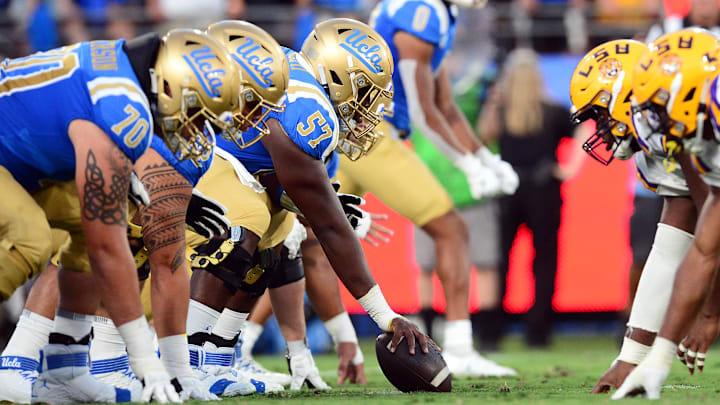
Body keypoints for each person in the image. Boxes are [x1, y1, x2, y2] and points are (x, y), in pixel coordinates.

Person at [184, 18, 430, 391]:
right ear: (338, 75)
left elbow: (297, 221)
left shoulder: (297, 80)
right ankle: (186, 359)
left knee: (281, 234)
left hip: (202, 158)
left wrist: (300, 352)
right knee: (248, 220)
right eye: (365, 91)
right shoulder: (308, 113)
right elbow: (331, 231)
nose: (369, 109)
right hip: (178, 164)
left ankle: (220, 359)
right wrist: (386, 316)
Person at [0, 29, 239, 403]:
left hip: (21, 161)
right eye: (195, 113)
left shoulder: (127, 74)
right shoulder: (121, 106)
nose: (196, 130)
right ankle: (18, 363)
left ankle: (66, 368)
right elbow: (107, 248)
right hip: (12, 161)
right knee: (33, 237)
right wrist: (146, 360)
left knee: (77, 227)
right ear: (171, 86)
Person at [300, 0, 518, 378]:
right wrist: (467, 165)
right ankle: (461, 346)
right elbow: (421, 109)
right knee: (452, 229)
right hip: (371, 133)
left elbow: (445, 105)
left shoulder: (433, 13)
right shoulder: (423, 13)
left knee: (299, 241)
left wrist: (485, 158)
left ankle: (241, 341)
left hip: (358, 132)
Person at [567, 37, 709, 394]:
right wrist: (631, 356)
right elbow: (672, 245)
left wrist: (710, 314)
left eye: (599, 114)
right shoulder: (657, 139)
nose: (598, 129)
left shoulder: (693, 113)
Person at [613, 28, 720, 400]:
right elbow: (701, 245)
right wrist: (648, 356)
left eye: (653, 104)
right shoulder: (696, 130)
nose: (648, 118)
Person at [477, 48, 583, 348]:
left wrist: (494, 101)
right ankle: (538, 332)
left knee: (500, 260)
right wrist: (568, 169)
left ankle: (491, 332)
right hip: (543, 188)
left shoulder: (508, 108)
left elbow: (482, 137)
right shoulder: (550, 109)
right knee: (544, 261)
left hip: (509, 190)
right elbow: (584, 130)